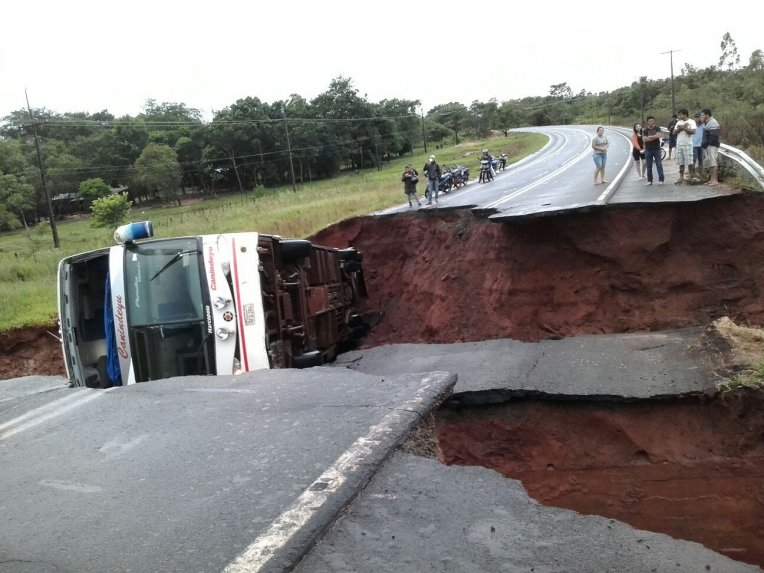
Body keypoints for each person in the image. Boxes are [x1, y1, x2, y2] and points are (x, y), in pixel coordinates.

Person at [672, 108, 696, 184]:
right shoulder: (678, 122)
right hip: (679, 144)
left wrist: (683, 128)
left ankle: (692, 177)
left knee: (690, 162)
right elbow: (674, 132)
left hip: (687, 144)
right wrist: (679, 129)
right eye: (679, 115)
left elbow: (693, 131)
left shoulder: (691, 122)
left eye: (681, 115)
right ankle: (681, 177)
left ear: (685, 114)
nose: (679, 116)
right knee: (680, 162)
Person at [642, 116, 665, 186]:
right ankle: (650, 180)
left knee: (659, 165)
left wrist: (649, 137)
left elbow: (659, 135)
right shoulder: (645, 130)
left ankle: (661, 180)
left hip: (657, 149)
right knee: (649, 165)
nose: (651, 122)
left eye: (652, 121)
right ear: (647, 122)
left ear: (654, 121)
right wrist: (654, 137)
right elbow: (644, 139)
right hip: (648, 149)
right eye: (649, 121)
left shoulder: (657, 128)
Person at [701, 109, 721, 186]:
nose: (701, 116)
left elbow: (714, 136)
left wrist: (709, 144)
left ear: (707, 115)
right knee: (710, 163)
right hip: (708, 146)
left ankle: (715, 180)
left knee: (713, 163)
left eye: (703, 115)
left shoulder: (713, 122)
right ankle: (711, 179)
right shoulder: (707, 122)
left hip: (712, 146)